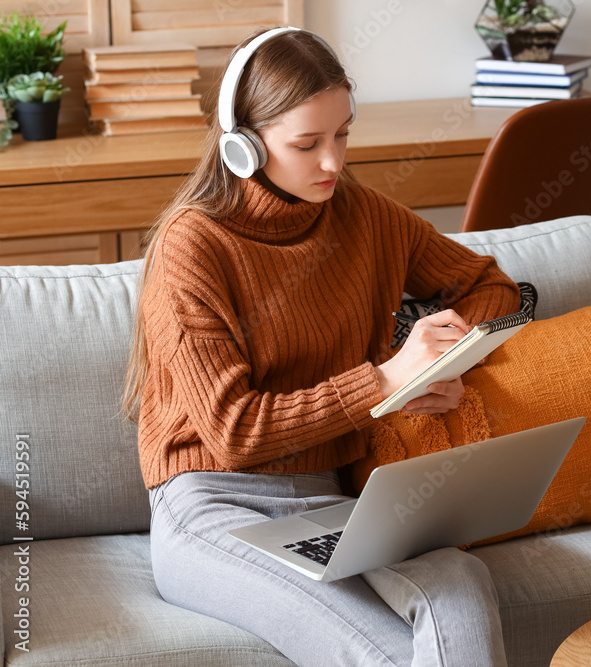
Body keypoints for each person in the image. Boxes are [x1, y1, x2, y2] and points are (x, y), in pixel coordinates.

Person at [121, 25, 522, 667]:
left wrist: (442, 361)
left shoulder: (363, 214)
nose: (333, 162)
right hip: (216, 506)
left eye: (343, 134)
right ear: (244, 149)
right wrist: (386, 381)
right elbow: (234, 432)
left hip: (340, 497)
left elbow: (492, 285)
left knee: (463, 586)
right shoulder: (192, 248)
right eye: (307, 143)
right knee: (385, 653)